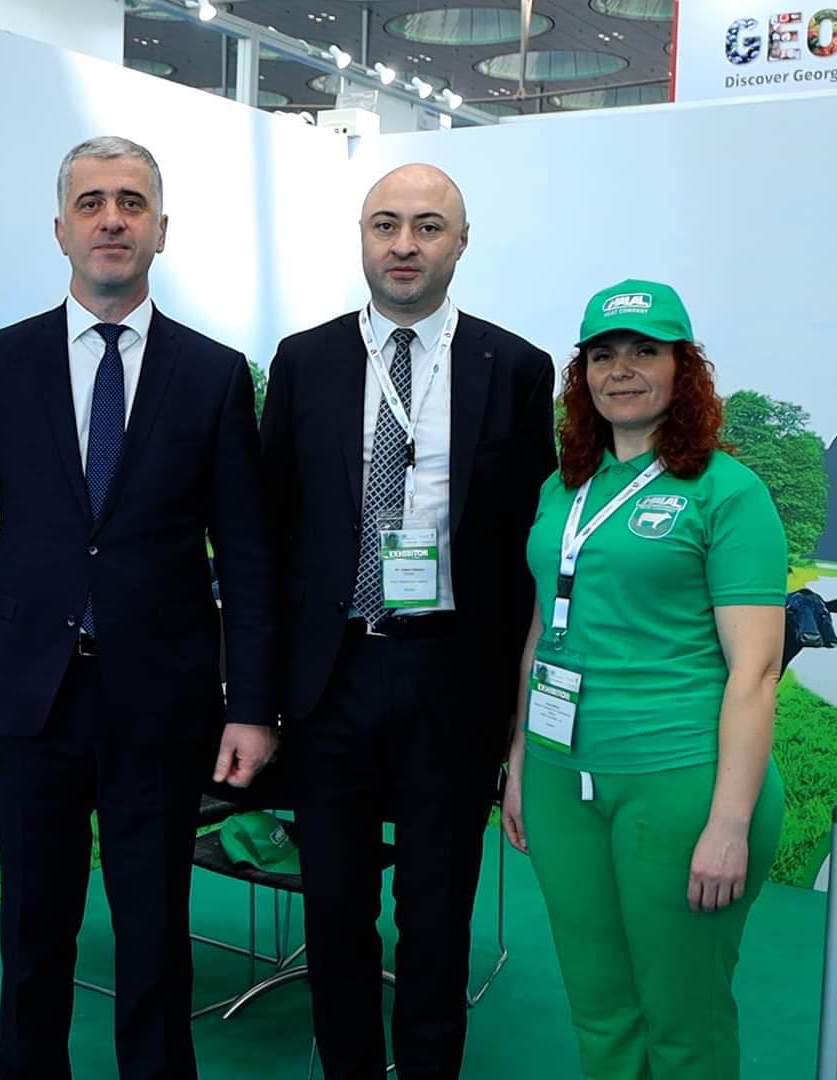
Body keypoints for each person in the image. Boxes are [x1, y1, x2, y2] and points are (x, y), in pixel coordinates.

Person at [0, 135, 276, 1080]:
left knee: (154, 933)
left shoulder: (213, 373)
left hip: (162, 702)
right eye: (91, 203)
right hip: (28, 695)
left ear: (161, 229)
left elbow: (246, 557)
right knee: (34, 931)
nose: (111, 220)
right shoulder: (0, 361)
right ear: (60, 229)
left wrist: (251, 706)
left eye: (130, 203)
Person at [259, 163, 554, 1079]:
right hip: (332, 674)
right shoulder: (304, 361)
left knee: (436, 912)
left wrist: (518, 717)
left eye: (428, 227)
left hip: (451, 677)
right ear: (361, 237)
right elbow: (269, 531)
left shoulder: (515, 367)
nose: (404, 245)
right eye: (385, 224)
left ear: (460, 244)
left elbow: (528, 549)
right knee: (334, 907)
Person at [500, 279, 788, 1080]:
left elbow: (757, 670)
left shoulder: (727, 491)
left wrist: (728, 823)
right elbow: (543, 629)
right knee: (599, 1009)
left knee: (683, 1019)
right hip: (561, 777)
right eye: (603, 355)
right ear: (583, 374)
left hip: (679, 781)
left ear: (682, 369)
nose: (621, 369)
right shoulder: (563, 488)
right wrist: (520, 759)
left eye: (644, 351)